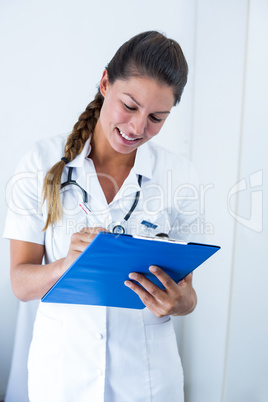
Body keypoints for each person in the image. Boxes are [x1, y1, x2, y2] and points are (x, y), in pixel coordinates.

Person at [4, 31, 200, 401]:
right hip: (63, 375)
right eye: (130, 106)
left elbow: (188, 295)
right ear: (106, 82)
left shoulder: (180, 176)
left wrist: (180, 303)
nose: (138, 128)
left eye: (157, 117)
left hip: (147, 379)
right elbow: (20, 283)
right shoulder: (39, 162)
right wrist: (65, 265)